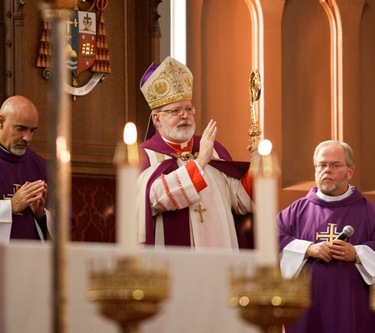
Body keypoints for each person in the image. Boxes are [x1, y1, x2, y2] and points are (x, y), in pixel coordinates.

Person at [137, 56, 254, 248]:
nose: (185, 115)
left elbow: (241, 203)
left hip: (221, 251)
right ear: (157, 119)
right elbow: (155, 199)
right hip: (175, 259)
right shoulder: (145, 155)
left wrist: (257, 167)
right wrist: (199, 163)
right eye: (175, 111)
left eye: (188, 109)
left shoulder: (213, 150)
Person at [277, 140, 375, 333]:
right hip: (306, 307)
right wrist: (308, 249)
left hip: (353, 307)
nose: (327, 170)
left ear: (350, 171)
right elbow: (272, 242)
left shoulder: (369, 212)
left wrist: (357, 253)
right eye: (322, 165)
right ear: (315, 170)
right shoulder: (296, 212)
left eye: (335, 165)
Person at [0, 95, 52, 242]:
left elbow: (65, 224)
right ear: (1, 122)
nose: (27, 138)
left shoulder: (40, 166)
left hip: (31, 261)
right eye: (21, 128)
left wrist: (40, 214)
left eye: (32, 130)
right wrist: (10, 206)